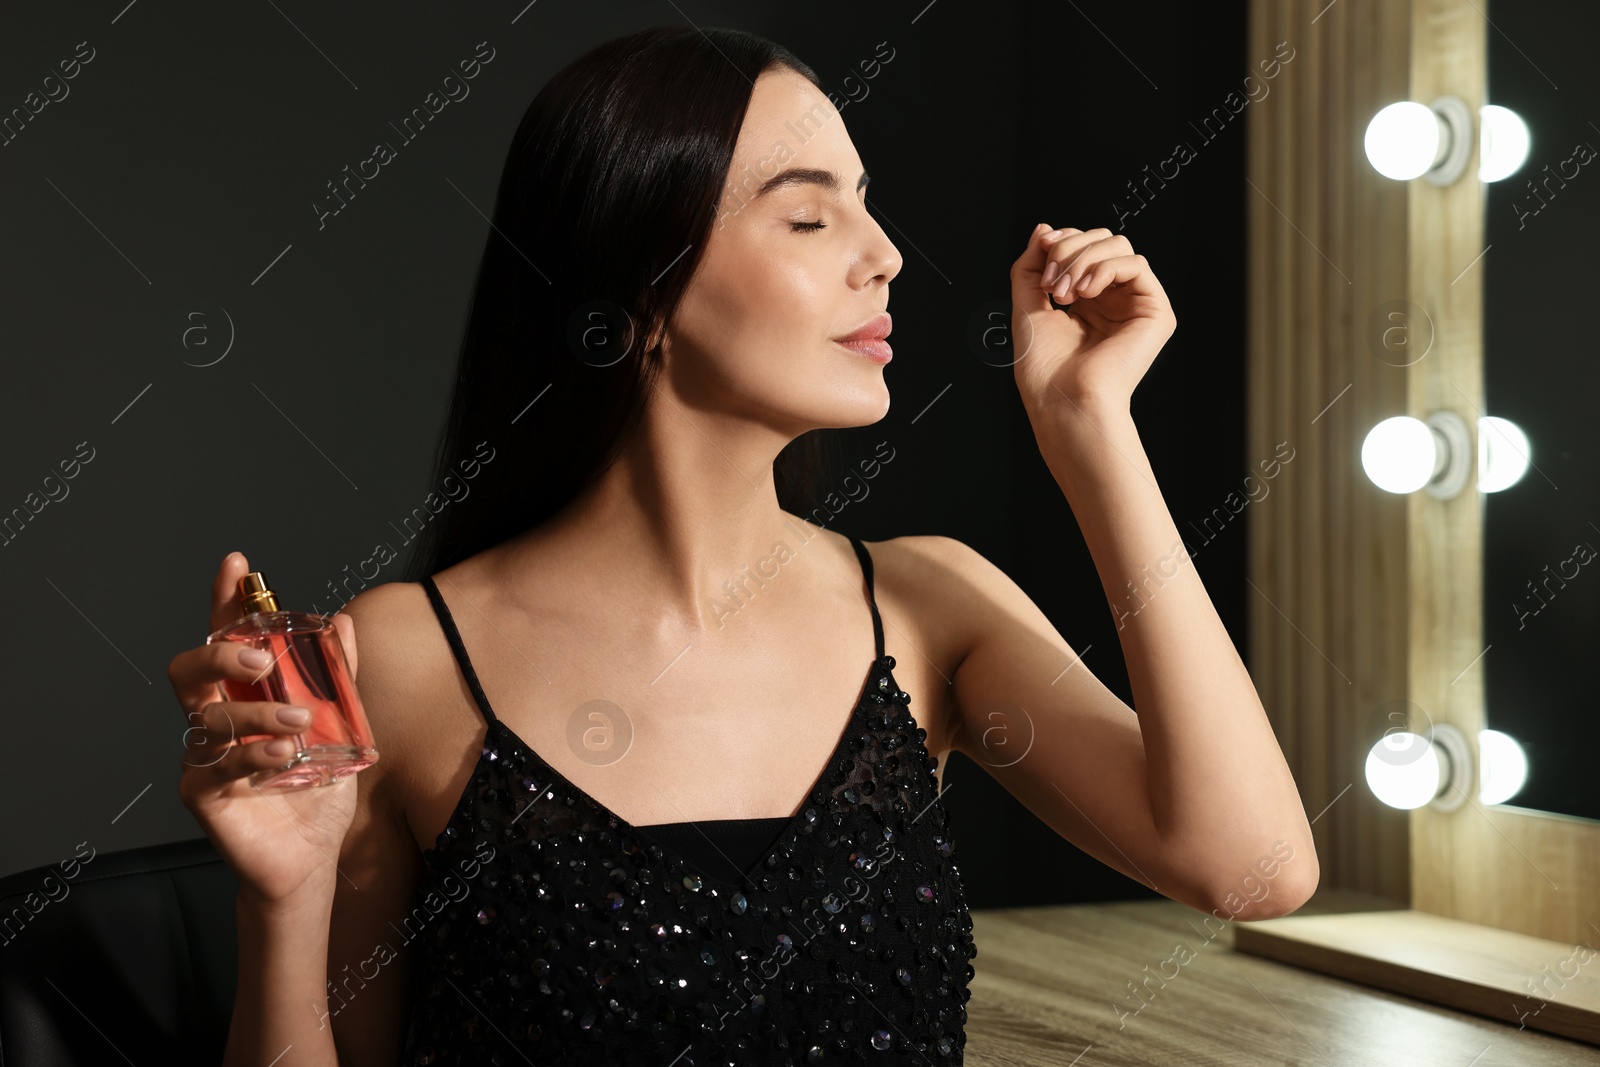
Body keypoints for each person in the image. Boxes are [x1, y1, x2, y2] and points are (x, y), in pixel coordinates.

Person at [167, 23, 1317, 1067]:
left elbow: (1252, 867)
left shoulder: (930, 607)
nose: (884, 254)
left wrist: (1089, 430)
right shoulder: (404, 657)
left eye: (866, 204)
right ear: (642, 291)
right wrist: (287, 892)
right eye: (810, 215)